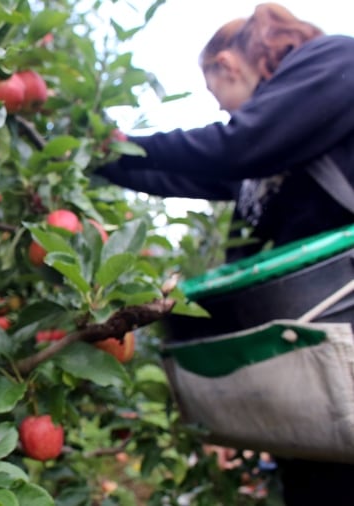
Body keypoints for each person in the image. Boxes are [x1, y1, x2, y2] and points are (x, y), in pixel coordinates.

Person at [92, 3, 354, 505]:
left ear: (229, 66)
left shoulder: (330, 63)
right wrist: (103, 157)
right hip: (317, 358)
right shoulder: (275, 148)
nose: (222, 111)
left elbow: (234, 146)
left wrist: (123, 141)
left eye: (218, 95)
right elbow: (186, 173)